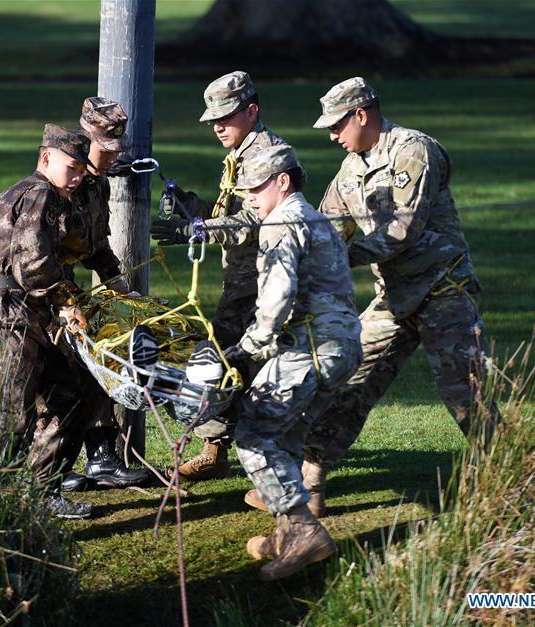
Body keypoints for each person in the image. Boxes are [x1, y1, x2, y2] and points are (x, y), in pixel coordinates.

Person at [302, 77, 501, 510]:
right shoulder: (350, 169)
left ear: (361, 114)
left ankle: (507, 480)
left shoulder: (413, 150)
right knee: (348, 379)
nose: (333, 136)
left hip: (442, 289)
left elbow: (401, 232)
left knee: (466, 393)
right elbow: (327, 227)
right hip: (393, 296)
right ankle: (310, 484)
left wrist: (341, 255)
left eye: (337, 126)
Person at [229, 144, 361, 581]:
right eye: (243, 186)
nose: (247, 195)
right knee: (283, 438)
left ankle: (304, 530)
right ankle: (288, 533)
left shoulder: (281, 221)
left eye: (255, 186)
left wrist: (249, 347)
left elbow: (277, 296)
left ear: (282, 181)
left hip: (310, 347)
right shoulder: (312, 216)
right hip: (340, 347)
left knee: (254, 433)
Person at [0, 124, 97, 519]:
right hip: (12, 321)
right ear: (46, 158)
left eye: (82, 170)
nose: (77, 177)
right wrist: (64, 302)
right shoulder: (41, 193)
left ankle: (38, 494)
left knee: (71, 393)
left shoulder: (8, 196)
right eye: (71, 167)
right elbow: (34, 262)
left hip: (15, 317)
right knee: (10, 419)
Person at [150, 70, 285, 481]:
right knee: (219, 364)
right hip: (241, 282)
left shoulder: (271, 156)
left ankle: (278, 460)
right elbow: (229, 213)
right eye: (212, 120)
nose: (217, 126)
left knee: (257, 370)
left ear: (252, 110)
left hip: (268, 284)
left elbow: (256, 219)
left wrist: (199, 228)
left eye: (225, 116)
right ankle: (217, 448)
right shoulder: (241, 155)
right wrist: (193, 207)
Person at [52, 96, 151, 492]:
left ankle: (101, 458)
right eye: (104, 150)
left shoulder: (98, 185)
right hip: (48, 293)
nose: (111, 158)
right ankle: (49, 473)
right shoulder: (63, 181)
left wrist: (119, 287)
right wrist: (61, 302)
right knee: (56, 383)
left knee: (96, 368)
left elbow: (97, 247)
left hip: (70, 288)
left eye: (116, 151)